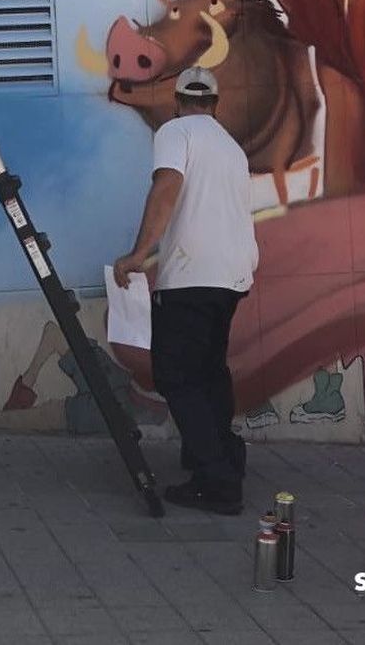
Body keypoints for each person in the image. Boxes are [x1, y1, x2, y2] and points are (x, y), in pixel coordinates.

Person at [114, 66, 257, 515]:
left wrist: (139, 254)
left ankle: (218, 482)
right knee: (210, 371)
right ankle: (224, 456)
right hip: (233, 275)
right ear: (214, 104)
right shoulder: (231, 147)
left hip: (193, 275)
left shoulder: (176, 132)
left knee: (177, 375)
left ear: (177, 102)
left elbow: (167, 187)